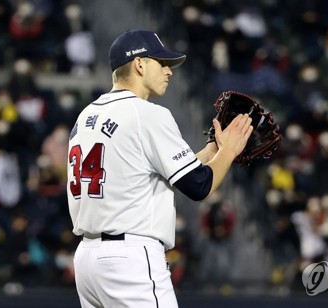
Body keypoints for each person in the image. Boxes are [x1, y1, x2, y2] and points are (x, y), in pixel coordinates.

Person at [66, 29, 253, 308]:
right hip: (130, 259)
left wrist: (213, 151)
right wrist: (229, 151)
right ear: (140, 64)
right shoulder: (148, 114)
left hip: (88, 259)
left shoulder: (88, 114)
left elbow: (149, 172)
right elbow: (199, 186)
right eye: (162, 63)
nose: (170, 71)